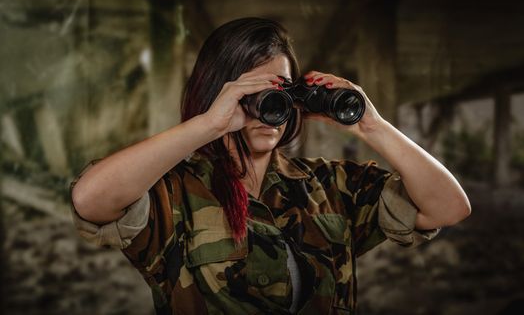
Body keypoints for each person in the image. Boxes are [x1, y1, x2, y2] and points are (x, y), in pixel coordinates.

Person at [70, 17, 471, 314]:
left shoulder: (329, 186)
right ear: (220, 92)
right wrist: (210, 124)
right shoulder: (175, 193)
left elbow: (448, 207)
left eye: (280, 91)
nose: (270, 109)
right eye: (255, 92)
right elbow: (91, 199)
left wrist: (373, 125)